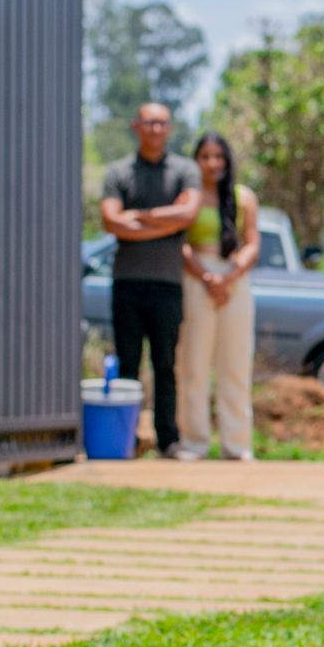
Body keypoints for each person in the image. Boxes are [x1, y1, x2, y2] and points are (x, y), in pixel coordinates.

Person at [99, 103, 201, 456]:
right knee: (128, 363)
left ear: (169, 128)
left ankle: (167, 439)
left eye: (161, 123)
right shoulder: (118, 172)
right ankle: (125, 439)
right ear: (136, 126)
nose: (155, 129)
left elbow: (188, 213)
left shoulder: (185, 171)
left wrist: (138, 220)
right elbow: (112, 222)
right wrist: (164, 225)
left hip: (168, 284)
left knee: (165, 364)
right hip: (127, 282)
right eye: (149, 123)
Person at [173, 132, 260, 462]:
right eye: (205, 156)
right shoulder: (188, 197)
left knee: (235, 364)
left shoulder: (244, 198)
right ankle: (194, 442)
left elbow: (251, 243)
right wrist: (205, 276)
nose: (212, 163)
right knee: (193, 363)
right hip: (197, 277)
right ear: (196, 161)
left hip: (234, 278)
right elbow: (178, 243)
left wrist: (229, 276)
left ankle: (236, 444)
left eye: (218, 156)